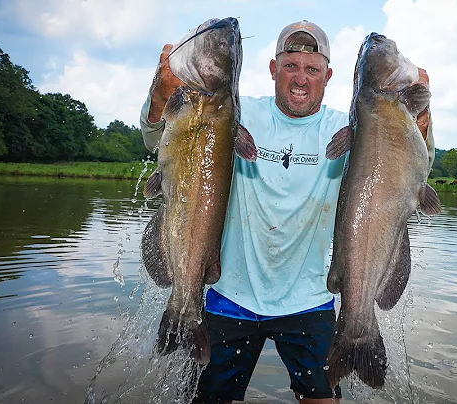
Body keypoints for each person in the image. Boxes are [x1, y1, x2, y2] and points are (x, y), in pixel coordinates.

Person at [139, 20, 431, 404]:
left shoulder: (352, 130)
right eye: (291, 66)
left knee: (323, 400)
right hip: (231, 295)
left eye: (312, 69)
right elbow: (155, 140)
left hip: (308, 300)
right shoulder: (236, 114)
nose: (300, 78)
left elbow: (411, 169)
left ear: (327, 76)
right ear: (274, 69)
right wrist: (159, 98)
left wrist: (421, 124)